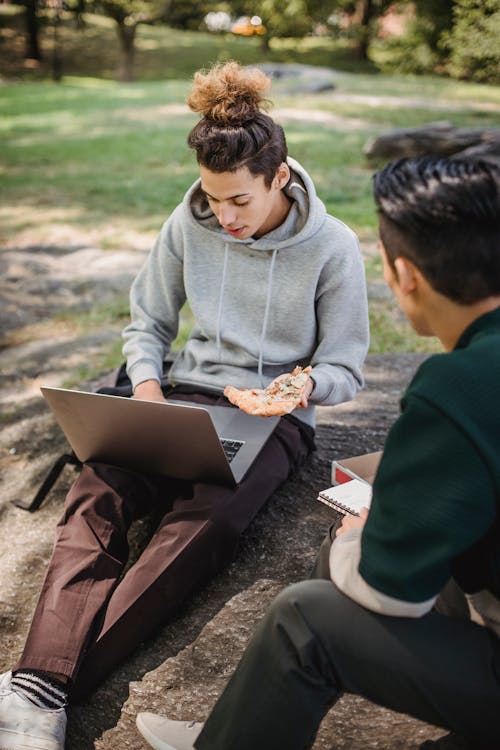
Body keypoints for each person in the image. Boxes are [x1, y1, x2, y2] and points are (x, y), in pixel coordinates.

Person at [0, 62, 369, 750]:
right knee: (96, 494)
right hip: (176, 395)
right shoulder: (191, 219)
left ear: (279, 177)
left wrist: (303, 388)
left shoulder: (334, 247)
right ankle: (41, 687)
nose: (223, 217)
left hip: (271, 417)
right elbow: (147, 322)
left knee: (205, 525)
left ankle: (42, 685)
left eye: (239, 201)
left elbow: (347, 366)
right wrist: (144, 389)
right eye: (211, 196)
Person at [135, 155, 500, 750]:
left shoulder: (456, 387)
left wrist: (363, 530)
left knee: (305, 614)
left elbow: (390, 595)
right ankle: (245, 723)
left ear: (403, 275)